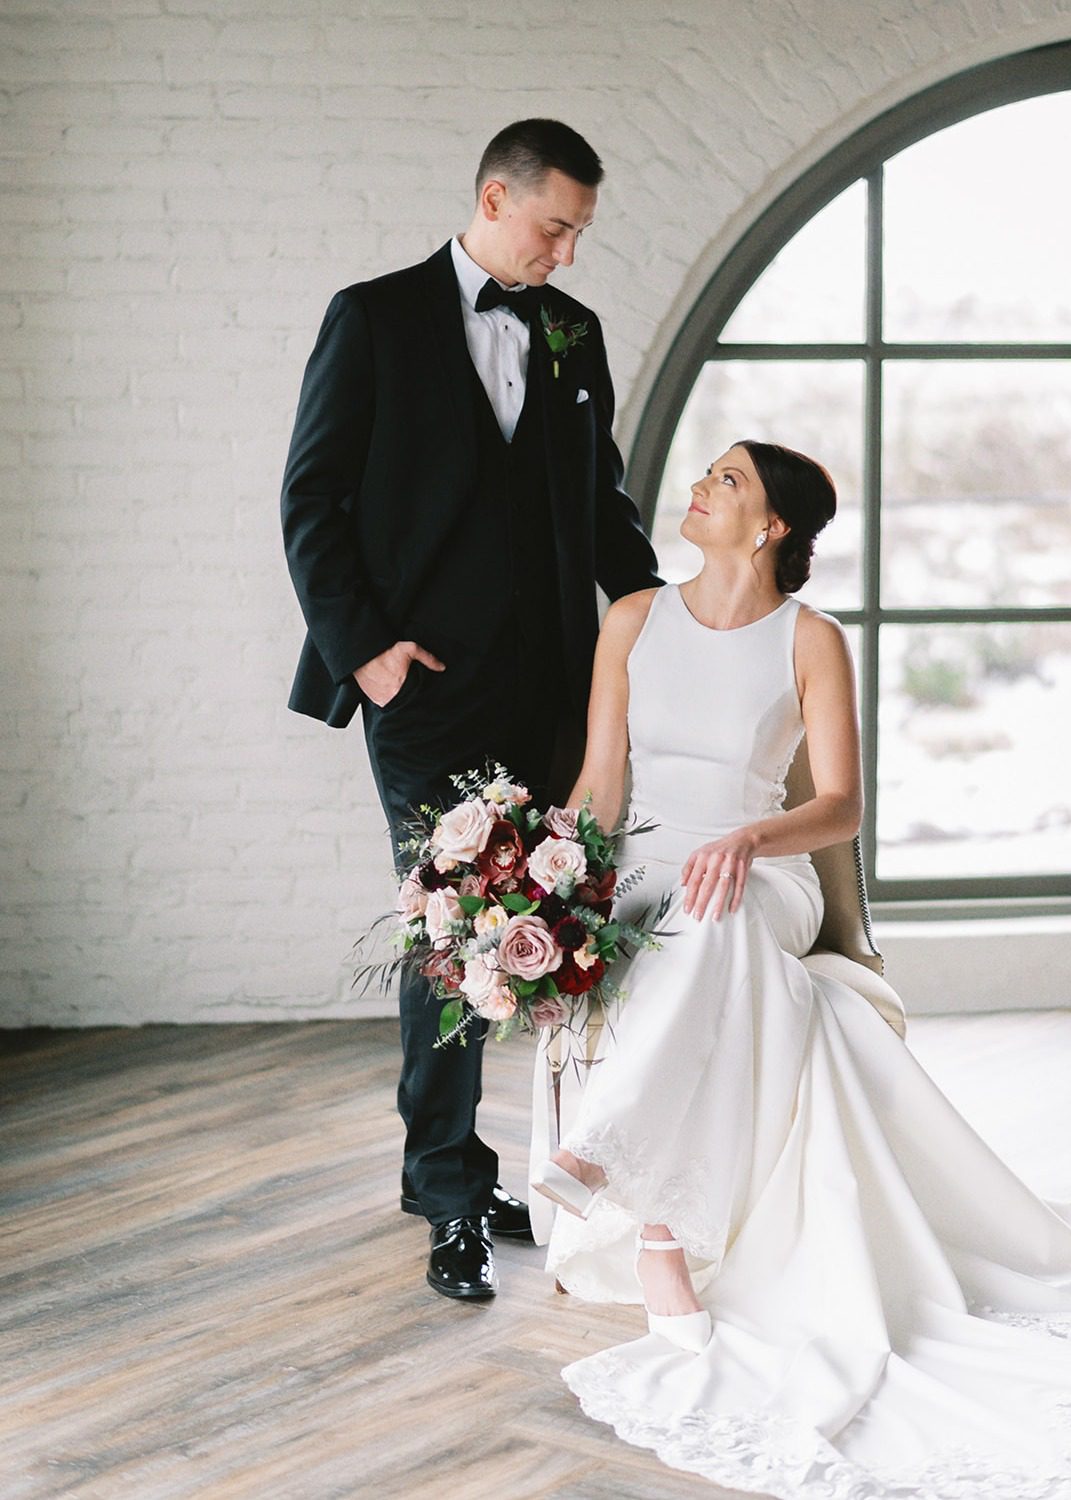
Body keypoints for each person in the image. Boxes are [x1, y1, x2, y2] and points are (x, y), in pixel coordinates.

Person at [528, 440, 1071, 1497]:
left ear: (771, 527)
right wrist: (545, 886)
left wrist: (749, 839)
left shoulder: (811, 638)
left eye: (727, 481)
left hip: (765, 873)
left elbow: (839, 805)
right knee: (688, 921)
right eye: (708, 473)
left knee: (720, 916)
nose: (699, 487)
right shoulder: (635, 620)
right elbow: (601, 781)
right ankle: (643, 1199)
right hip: (649, 874)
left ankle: (637, 1200)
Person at [280, 118, 662, 1305]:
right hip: (424, 691)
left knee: (542, 933)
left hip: (551, 686)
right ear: (495, 199)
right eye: (554, 227)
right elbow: (312, 500)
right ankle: (451, 1190)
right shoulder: (372, 317)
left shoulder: (572, 330)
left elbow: (597, 502)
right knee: (456, 937)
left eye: (579, 234)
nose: (566, 253)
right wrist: (369, 657)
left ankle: (491, 1167)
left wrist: (670, 615)